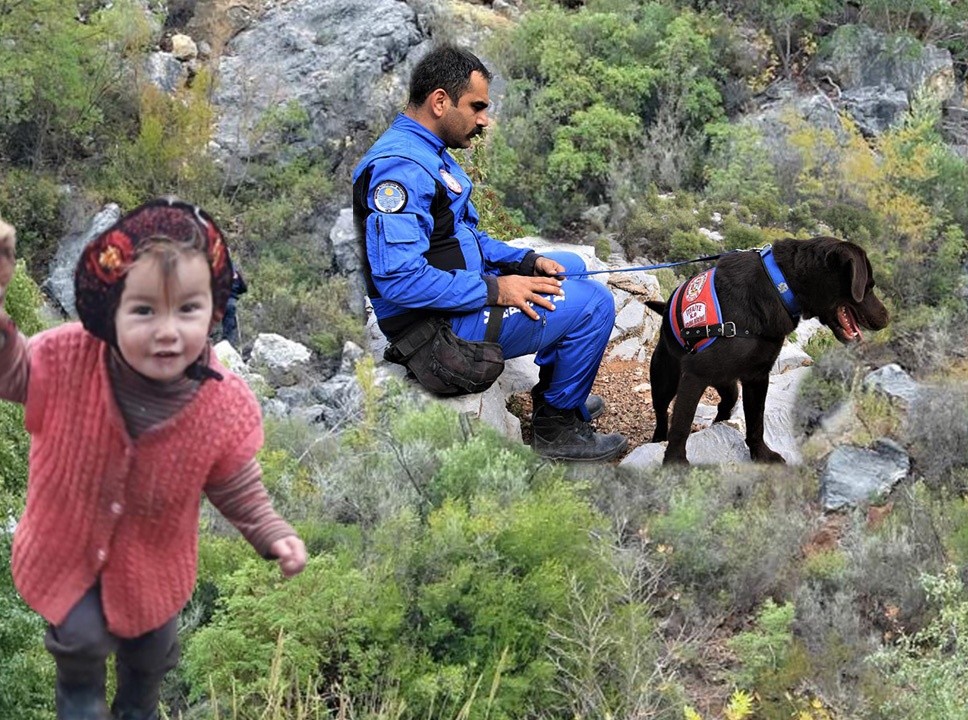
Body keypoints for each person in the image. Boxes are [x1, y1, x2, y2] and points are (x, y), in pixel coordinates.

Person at [0, 200, 307, 720]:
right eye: (144, 310)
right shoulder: (70, 357)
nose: (167, 330)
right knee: (81, 639)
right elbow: (14, 374)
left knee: (150, 656)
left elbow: (234, 484)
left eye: (186, 309)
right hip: (66, 552)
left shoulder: (223, 404)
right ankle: (79, 701)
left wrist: (270, 531)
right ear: (109, 312)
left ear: (212, 312)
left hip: (153, 571)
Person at [351, 44, 626, 462]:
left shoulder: (429, 152)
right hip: (435, 328)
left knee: (571, 268)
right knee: (594, 305)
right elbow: (400, 278)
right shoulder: (400, 169)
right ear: (440, 101)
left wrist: (525, 262)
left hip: (453, 301)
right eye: (476, 106)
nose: (484, 120)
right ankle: (556, 429)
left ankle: (558, 395)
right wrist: (495, 289)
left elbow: (464, 236)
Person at [220, 259, 247, 348]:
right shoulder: (236, 274)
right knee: (230, 327)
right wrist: (235, 292)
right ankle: (229, 347)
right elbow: (244, 288)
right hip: (231, 302)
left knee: (225, 324)